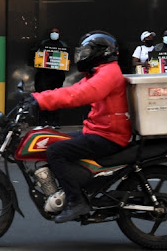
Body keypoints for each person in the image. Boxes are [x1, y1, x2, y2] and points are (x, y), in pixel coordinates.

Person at [26, 31, 131, 223]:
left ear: (101, 52)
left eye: (88, 51)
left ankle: (76, 202)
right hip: (99, 130)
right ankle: (80, 187)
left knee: (56, 151)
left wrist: (40, 101)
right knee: (53, 139)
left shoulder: (108, 73)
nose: (84, 55)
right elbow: (72, 90)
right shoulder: (99, 71)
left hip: (109, 135)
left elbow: (81, 95)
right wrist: (36, 97)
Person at [32, 27, 69, 127]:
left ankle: (54, 122)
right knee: (43, 99)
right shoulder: (43, 43)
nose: (54, 34)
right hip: (43, 77)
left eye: (56, 32)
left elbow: (67, 58)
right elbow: (35, 55)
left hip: (57, 78)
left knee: (55, 100)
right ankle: (42, 122)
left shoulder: (63, 45)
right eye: (53, 32)